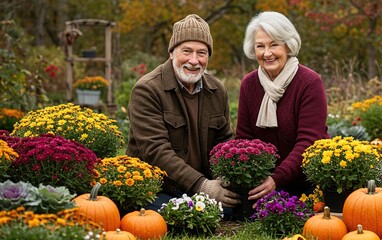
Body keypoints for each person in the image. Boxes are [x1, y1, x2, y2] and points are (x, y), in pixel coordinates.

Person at [126, 14, 241, 211]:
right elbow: (156, 151)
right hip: (159, 185)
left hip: (204, 182)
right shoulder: (147, 89)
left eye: (202, 53)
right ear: (172, 52)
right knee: (175, 215)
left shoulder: (216, 90)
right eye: (186, 51)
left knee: (241, 206)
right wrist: (202, 186)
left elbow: (224, 140)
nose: (194, 60)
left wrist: (224, 177)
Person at [236, 11, 330, 201]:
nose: (267, 53)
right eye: (260, 46)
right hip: (265, 182)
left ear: (288, 45)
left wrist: (276, 179)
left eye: (274, 44)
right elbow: (244, 138)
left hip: (309, 180)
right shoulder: (249, 84)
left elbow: (308, 142)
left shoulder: (309, 82)